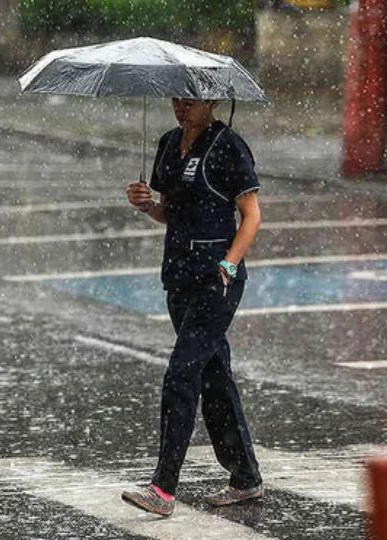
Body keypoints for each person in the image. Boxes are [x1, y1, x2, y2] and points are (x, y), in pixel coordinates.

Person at [120, 97, 264, 517]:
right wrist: (147, 204)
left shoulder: (228, 145)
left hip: (216, 282)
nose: (181, 108)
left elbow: (251, 216)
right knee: (214, 377)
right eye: (177, 100)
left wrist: (228, 263)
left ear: (213, 101)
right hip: (179, 278)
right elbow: (173, 212)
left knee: (181, 374)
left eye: (192, 101)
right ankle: (246, 478)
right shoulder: (167, 143)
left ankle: (163, 487)